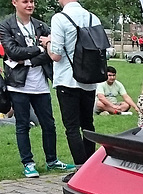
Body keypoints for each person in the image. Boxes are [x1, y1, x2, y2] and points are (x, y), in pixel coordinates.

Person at [0, 0, 74, 178]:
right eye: (25, 1)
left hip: (41, 85)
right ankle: (28, 163)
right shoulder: (6, 25)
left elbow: (52, 52)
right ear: (15, 3)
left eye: (32, 1)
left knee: (49, 124)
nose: (30, 5)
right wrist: (40, 47)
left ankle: (52, 160)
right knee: (22, 125)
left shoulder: (41, 25)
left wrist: (29, 58)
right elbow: (13, 52)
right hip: (18, 85)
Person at [41, 0, 102, 182]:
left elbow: (56, 54)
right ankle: (90, 167)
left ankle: (80, 170)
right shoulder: (93, 18)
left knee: (72, 126)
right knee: (88, 124)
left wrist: (48, 42)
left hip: (68, 79)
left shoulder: (60, 18)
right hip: (90, 78)